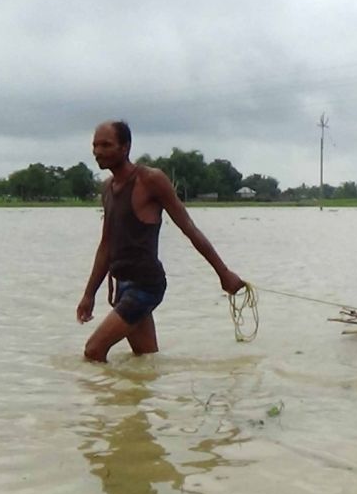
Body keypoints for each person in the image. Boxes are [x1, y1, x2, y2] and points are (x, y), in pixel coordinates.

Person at [77, 120, 244, 362]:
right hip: (122, 285)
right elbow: (106, 246)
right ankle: (146, 399)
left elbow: (189, 228)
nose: (98, 151)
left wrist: (224, 273)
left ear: (125, 147)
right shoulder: (108, 188)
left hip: (146, 286)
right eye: (95, 145)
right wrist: (89, 294)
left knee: (93, 351)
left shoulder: (150, 180)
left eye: (106, 145)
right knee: (144, 362)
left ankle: (101, 398)